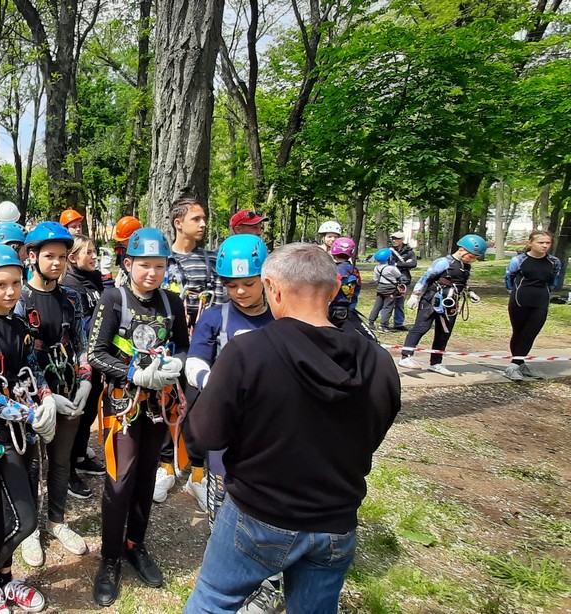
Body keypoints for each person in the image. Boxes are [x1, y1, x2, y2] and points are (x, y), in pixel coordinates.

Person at [183, 243, 401, 614]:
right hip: (336, 519)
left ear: (272, 287)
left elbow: (205, 435)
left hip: (259, 512)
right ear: (334, 288)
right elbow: (374, 431)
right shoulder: (378, 361)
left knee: (214, 601)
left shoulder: (247, 352)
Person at [87, 227, 188, 607]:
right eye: (144, 265)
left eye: (159, 266)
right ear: (128, 264)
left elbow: (183, 345)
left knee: (146, 476)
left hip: (158, 406)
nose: (152, 273)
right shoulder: (114, 299)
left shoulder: (171, 302)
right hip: (123, 406)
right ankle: (110, 557)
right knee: (120, 480)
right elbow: (95, 353)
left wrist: (176, 365)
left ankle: (135, 544)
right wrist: (133, 373)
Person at [185, 234, 281, 614]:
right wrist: (216, 384)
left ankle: (269, 582)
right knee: (222, 504)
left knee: (269, 508)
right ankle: (229, 573)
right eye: (232, 284)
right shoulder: (215, 317)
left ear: (265, 279)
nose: (240, 292)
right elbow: (195, 360)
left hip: (272, 432)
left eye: (248, 284)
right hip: (228, 431)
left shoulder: (283, 315)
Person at [0, 244, 56, 614]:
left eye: (16, 283)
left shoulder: (19, 325)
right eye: (1, 284)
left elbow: (33, 368)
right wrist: (27, 414)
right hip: (1, 437)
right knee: (26, 520)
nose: (10, 291)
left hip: (27, 433)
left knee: (11, 513)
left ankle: (6, 578)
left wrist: (47, 397)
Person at [16, 222, 93, 565]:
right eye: (49, 256)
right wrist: (45, 395)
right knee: (32, 464)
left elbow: (80, 343)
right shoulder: (19, 299)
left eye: (62, 257)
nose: (57, 263)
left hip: (68, 388)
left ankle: (57, 520)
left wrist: (85, 378)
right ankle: (30, 528)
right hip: (31, 395)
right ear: (32, 256)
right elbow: (20, 354)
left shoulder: (71, 298)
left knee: (61, 460)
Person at [156, 197, 224, 504]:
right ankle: (165, 467)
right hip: (167, 347)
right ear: (178, 222)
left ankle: (197, 474)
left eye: (203, 218)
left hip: (201, 348)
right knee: (164, 406)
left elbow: (220, 304)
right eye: (196, 218)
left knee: (197, 408)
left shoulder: (212, 260)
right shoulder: (162, 260)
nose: (203, 224)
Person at [398, 234, 486, 376]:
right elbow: (425, 278)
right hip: (432, 300)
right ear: (462, 250)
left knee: (444, 333)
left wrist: (470, 292)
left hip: (450, 303)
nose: (473, 259)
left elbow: (461, 282)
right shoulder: (444, 262)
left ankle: (436, 363)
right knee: (421, 327)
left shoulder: (466, 266)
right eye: (472, 256)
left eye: (475, 257)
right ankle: (406, 357)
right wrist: (415, 295)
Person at [62, 235, 107, 499]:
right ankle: (66, 469)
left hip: (98, 356)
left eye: (94, 251)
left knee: (89, 412)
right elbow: (85, 324)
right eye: (88, 252)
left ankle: (79, 456)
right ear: (73, 257)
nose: (94, 256)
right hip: (81, 358)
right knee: (76, 415)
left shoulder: (95, 279)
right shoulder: (70, 284)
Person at [503, 230, 561, 381]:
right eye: (540, 242)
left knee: (530, 333)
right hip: (520, 299)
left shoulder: (554, 261)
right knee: (519, 332)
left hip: (541, 300)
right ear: (530, 243)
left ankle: (515, 365)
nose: (544, 246)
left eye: (547, 243)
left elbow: (553, 281)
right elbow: (509, 278)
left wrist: (545, 292)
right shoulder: (519, 260)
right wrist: (513, 291)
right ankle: (518, 365)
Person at [328, 237, 376, 341]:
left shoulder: (331, 270)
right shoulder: (354, 271)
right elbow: (357, 288)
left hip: (329, 310)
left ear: (333, 252)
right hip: (348, 310)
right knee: (369, 339)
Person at [368, 248, 404, 333]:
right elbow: (398, 275)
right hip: (390, 289)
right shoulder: (391, 268)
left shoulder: (376, 268)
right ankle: (383, 325)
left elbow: (375, 279)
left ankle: (371, 323)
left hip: (380, 288)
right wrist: (394, 266)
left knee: (377, 306)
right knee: (388, 307)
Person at [388, 231, 417, 331]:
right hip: (391, 279)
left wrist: (398, 264)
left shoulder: (409, 252)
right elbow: (386, 264)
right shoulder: (389, 251)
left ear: (402, 240)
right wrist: (405, 263)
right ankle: (384, 323)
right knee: (388, 302)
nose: (394, 241)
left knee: (400, 303)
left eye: (396, 239)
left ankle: (398, 324)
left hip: (404, 280)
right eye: (393, 239)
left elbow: (413, 264)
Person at [113, 215, 143, 288]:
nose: (121, 242)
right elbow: (122, 268)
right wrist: (119, 277)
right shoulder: (126, 250)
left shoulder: (142, 254)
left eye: (124, 240)